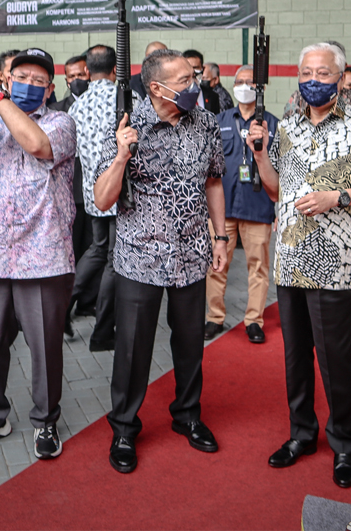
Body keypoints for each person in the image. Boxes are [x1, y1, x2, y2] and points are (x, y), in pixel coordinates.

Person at [248, 42, 351, 488]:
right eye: (307, 73)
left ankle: (345, 443)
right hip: (291, 257)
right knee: (295, 355)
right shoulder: (288, 124)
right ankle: (301, 433)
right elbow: (276, 189)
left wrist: (338, 197)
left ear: (341, 77)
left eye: (324, 73)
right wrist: (260, 155)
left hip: (337, 261)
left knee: (335, 357)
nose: (314, 80)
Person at [93, 48, 227, 474]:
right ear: (156, 88)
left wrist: (220, 236)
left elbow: (213, 181)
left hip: (192, 253)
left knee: (190, 344)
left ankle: (187, 415)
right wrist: (122, 155)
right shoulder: (126, 126)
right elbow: (102, 199)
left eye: (194, 77)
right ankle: (124, 428)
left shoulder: (205, 122)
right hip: (140, 257)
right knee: (133, 349)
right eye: (185, 80)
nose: (194, 85)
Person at [0, 48, 76, 460]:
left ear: (50, 89)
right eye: (21, 77)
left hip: (43, 255)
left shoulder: (60, 123)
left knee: (44, 348)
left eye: (38, 80)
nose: (29, 85)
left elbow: (37, 145)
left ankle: (46, 420)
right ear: (8, 79)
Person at [205, 65, 278, 343]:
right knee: (216, 265)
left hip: (257, 207)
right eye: (239, 81)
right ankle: (214, 317)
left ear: (261, 88)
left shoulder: (272, 125)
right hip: (222, 209)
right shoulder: (219, 120)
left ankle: (254, 320)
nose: (244, 86)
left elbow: (280, 171)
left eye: (250, 82)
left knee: (258, 268)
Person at [67, 45, 121, 351]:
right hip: (120, 191)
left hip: (92, 192)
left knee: (98, 249)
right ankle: (102, 333)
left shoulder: (77, 106)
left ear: (87, 71)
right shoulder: (126, 99)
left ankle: (63, 307)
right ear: (116, 69)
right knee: (113, 259)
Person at [183, 49, 221, 114]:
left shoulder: (213, 96)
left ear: (203, 69)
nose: (193, 72)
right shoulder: (176, 95)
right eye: (188, 67)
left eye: (195, 68)